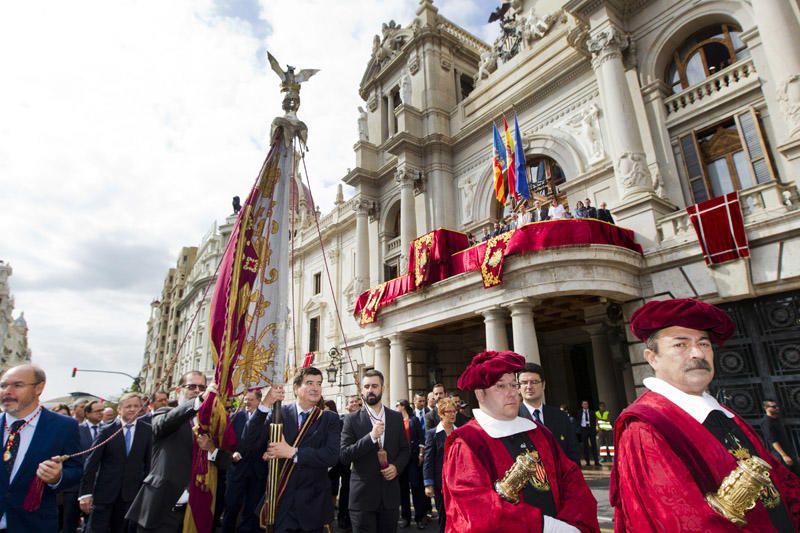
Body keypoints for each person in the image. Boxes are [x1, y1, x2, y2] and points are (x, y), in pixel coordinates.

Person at [610, 298, 800, 532]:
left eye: (704, 343)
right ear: (652, 358)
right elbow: (683, 522)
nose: (697, 353)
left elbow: (780, 481)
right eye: (681, 345)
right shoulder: (646, 427)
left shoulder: (725, 415)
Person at [442, 351, 599, 533]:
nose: (512, 393)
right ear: (480, 393)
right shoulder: (467, 442)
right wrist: (546, 527)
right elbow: (477, 509)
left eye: (513, 385)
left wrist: (571, 523)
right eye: (500, 386)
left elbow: (572, 479)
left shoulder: (538, 431)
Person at [126, 370, 228, 532]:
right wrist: (199, 400)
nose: (197, 390)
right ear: (179, 390)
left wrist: (211, 449)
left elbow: (226, 463)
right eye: (192, 386)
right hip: (162, 508)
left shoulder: (211, 424)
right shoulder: (164, 413)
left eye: (202, 387)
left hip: (196, 511)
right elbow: (163, 424)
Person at [242, 366, 341, 533]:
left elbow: (331, 456)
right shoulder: (279, 413)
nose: (315, 388)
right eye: (309, 383)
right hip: (281, 501)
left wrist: (292, 453)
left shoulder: (329, 418)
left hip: (313, 505)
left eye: (319, 383)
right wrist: (266, 403)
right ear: (296, 388)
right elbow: (248, 440)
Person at [0, 364, 82, 531]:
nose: (7, 391)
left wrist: (57, 477)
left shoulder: (64, 426)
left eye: (17, 385)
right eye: (3, 385)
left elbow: (76, 470)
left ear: (39, 388)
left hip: (33, 524)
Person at [340, 369, 409, 533]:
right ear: (362, 390)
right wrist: (370, 437)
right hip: (362, 500)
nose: (370, 390)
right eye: (367, 386)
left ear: (382, 388)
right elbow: (344, 455)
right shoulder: (351, 420)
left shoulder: (396, 417)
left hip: (389, 498)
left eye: (375, 386)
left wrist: (396, 467)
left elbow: (405, 450)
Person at [79, 392, 152, 533]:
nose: (132, 409)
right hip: (104, 494)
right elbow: (91, 463)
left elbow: (149, 464)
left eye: (136, 406)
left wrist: (146, 494)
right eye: (128, 406)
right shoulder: (107, 430)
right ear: (119, 409)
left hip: (130, 496)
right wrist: (85, 493)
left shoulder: (147, 430)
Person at [517, 363, 581, 465]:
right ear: (519, 387)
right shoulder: (512, 418)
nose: (529, 387)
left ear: (543, 385)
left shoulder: (561, 417)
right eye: (524, 382)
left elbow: (573, 456)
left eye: (534, 382)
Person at [222, 389, 264, 533]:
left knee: (252, 509)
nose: (247, 402)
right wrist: (232, 453)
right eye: (246, 399)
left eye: (251, 400)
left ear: (259, 401)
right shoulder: (236, 417)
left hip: (257, 472)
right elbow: (227, 441)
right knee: (231, 506)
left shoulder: (268, 419)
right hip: (237, 470)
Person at [423, 397, 459, 533]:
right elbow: (428, 460)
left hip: (458, 483)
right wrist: (428, 483)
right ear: (441, 414)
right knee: (444, 517)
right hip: (441, 484)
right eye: (448, 411)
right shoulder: (432, 434)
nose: (452, 414)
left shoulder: (459, 433)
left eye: (454, 411)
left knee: (458, 517)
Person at [395, 399, 427, 529]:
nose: (395, 407)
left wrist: (421, 453)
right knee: (403, 489)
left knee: (416, 487)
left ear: (403, 406)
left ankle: (419, 517)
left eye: (397, 405)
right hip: (401, 460)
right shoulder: (396, 421)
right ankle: (406, 517)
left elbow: (421, 438)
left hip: (413, 459)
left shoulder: (414, 420)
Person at [337, 395, 362, 531]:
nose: (353, 404)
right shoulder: (342, 420)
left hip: (361, 460)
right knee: (346, 490)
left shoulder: (365, 419)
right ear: (347, 405)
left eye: (355, 402)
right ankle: (343, 518)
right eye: (350, 402)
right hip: (346, 462)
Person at [761, 399, 799, 476]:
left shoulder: (776, 419)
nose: (777, 408)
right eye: (774, 407)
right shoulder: (767, 423)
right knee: (788, 475)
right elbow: (773, 441)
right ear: (766, 408)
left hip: (787, 451)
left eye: (777, 406)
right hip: (779, 455)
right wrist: (784, 455)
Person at [577, 400, 599, 467]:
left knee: (594, 446)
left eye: (586, 404)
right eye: (584, 404)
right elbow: (578, 421)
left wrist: (595, 429)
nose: (585, 405)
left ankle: (596, 461)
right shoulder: (579, 412)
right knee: (585, 446)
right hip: (584, 430)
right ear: (582, 405)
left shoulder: (592, 412)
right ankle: (587, 462)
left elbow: (595, 421)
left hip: (591, 429)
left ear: (588, 405)